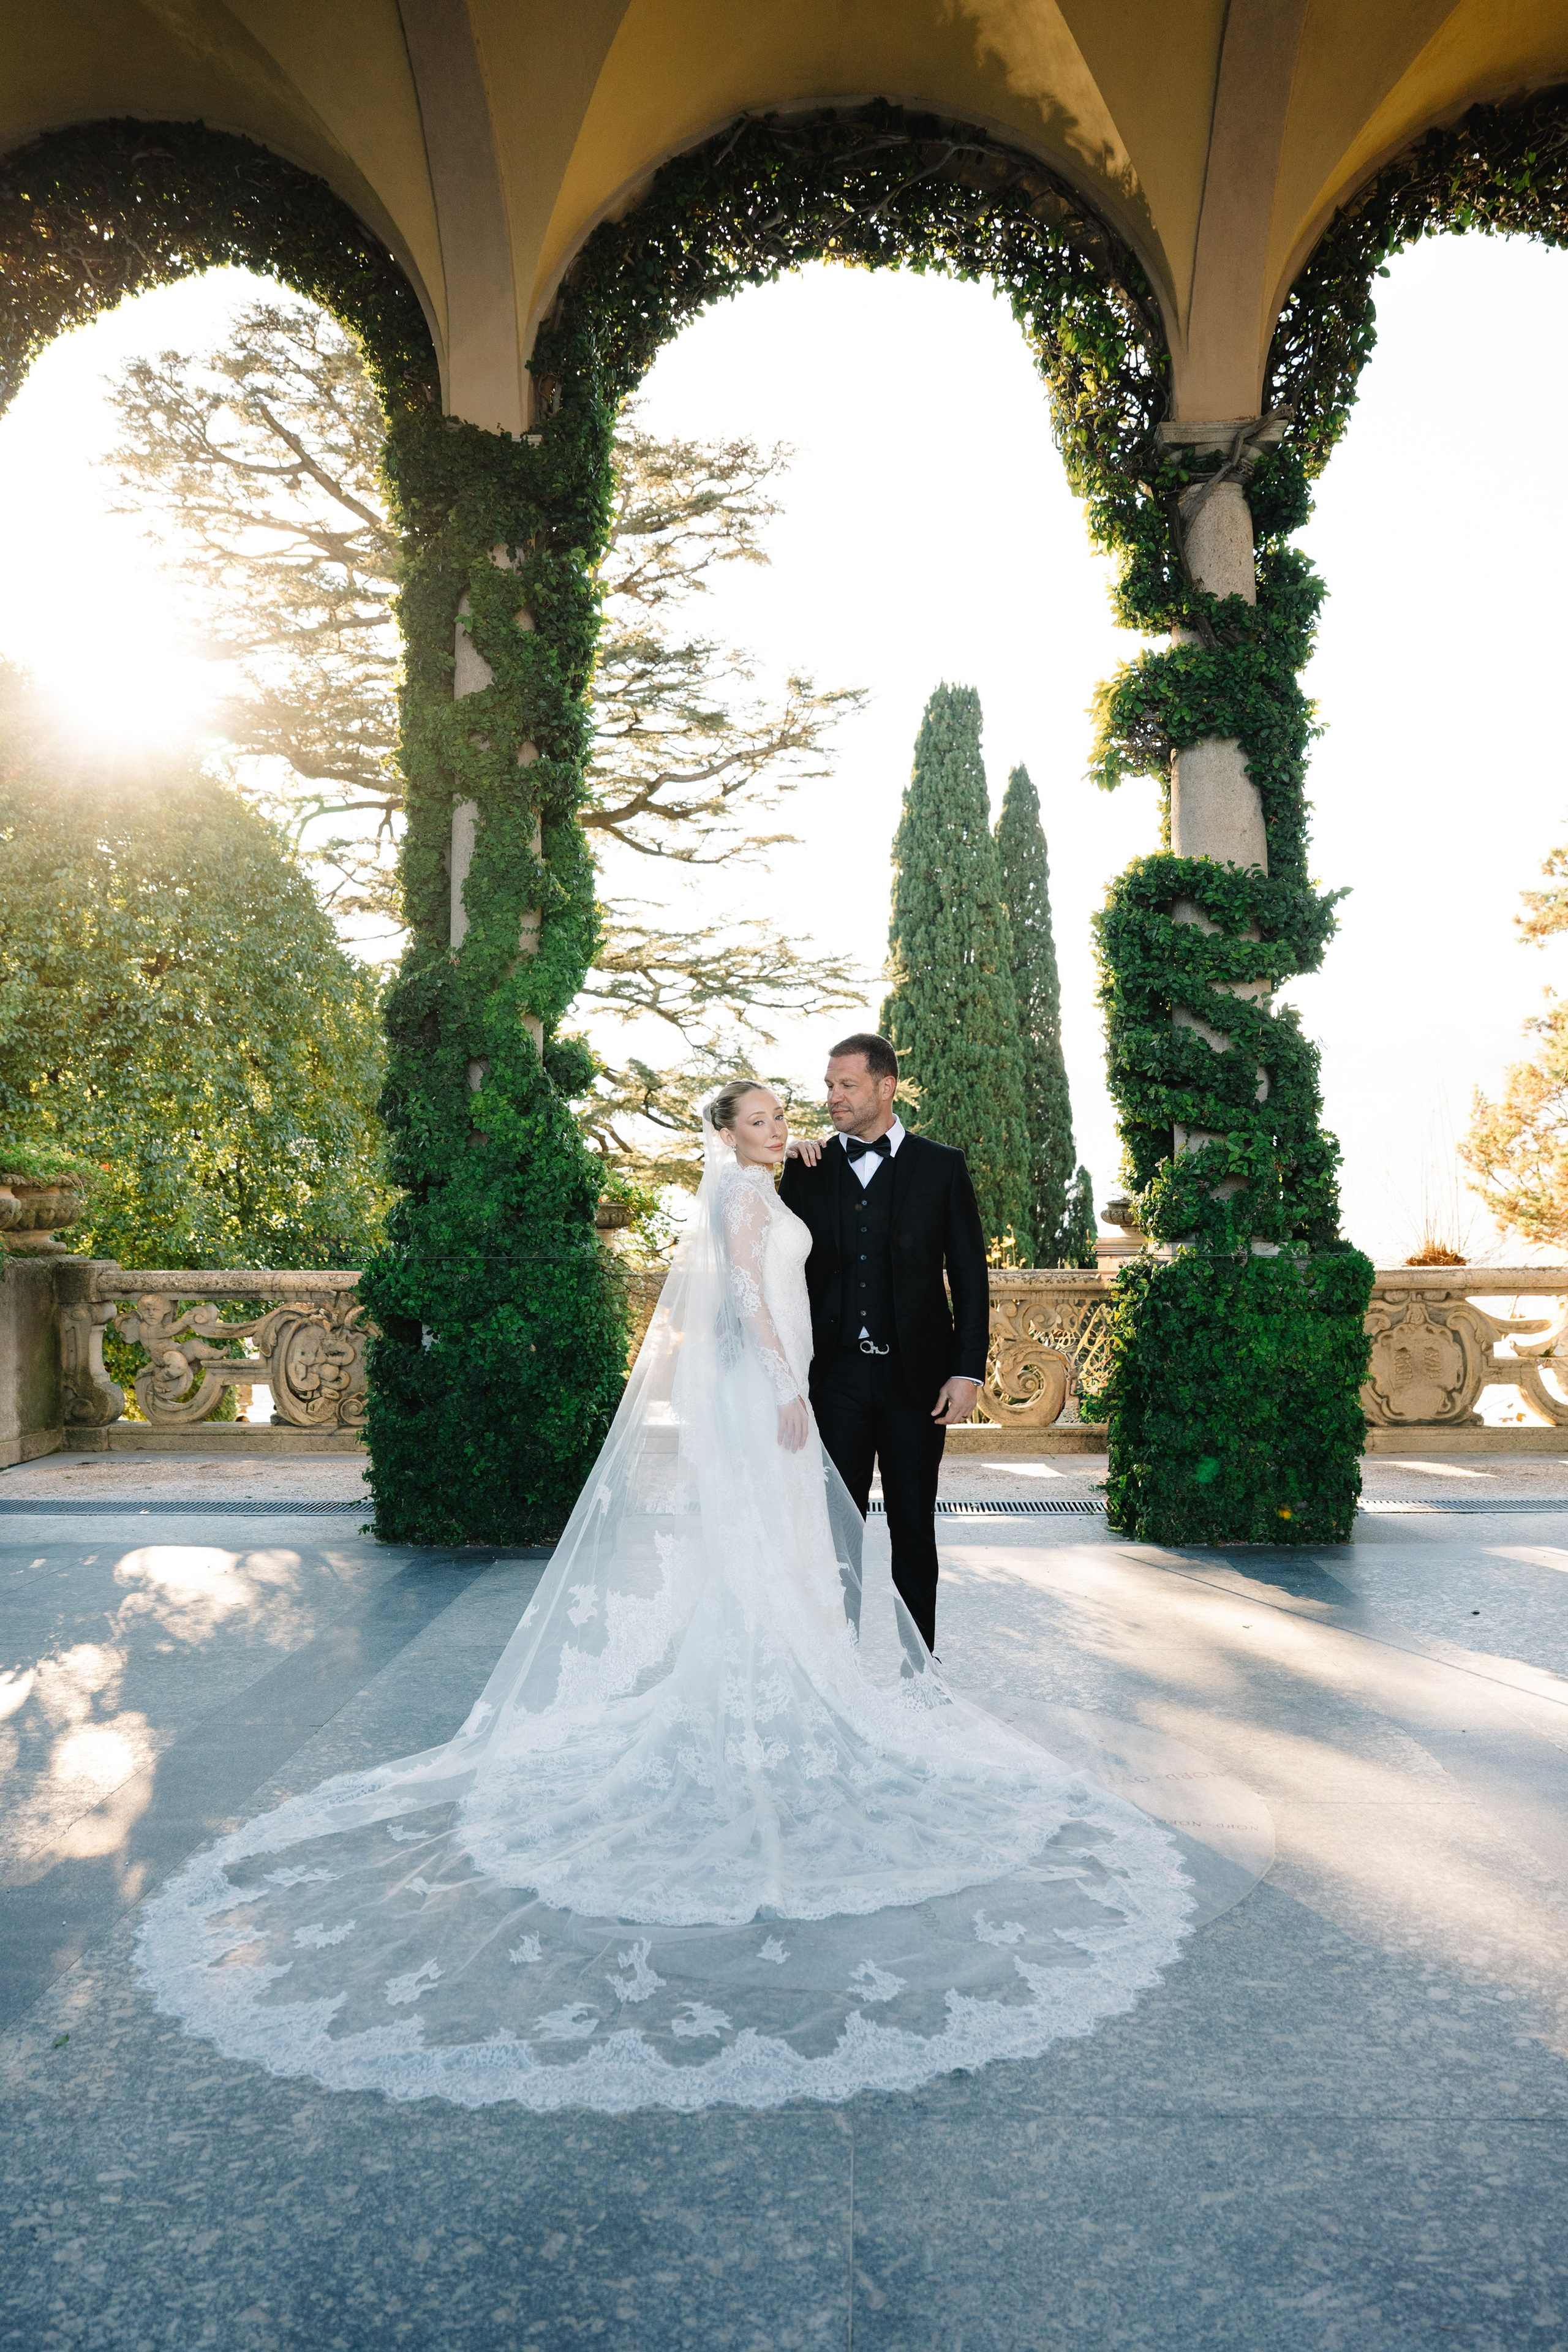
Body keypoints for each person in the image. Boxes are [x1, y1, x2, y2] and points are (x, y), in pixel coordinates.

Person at [135, 1080, 1189, 2117]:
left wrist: (807, 1176)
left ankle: (786, 1680)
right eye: (769, 1117)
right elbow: (740, 1298)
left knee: (786, 1545)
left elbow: (824, 1244)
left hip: (791, 1387)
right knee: (766, 1541)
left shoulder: (777, 1183)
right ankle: (754, 1686)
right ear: (728, 1135)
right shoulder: (737, 1194)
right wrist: (786, 1390)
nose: (791, 1126)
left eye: (794, 1113)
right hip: (765, 1395)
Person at [780, 1031, 988, 1654]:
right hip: (834, 1379)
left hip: (917, 1382)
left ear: (885, 1086)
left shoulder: (941, 1166)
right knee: (837, 1531)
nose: (833, 1097)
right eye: (828, 1086)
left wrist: (967, 1372)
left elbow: (970, 1276)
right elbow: (775, 1262)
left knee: (913, 1529)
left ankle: (917, 1669)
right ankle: (839, 1670)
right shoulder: (805, 1168)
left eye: (846, 1085)